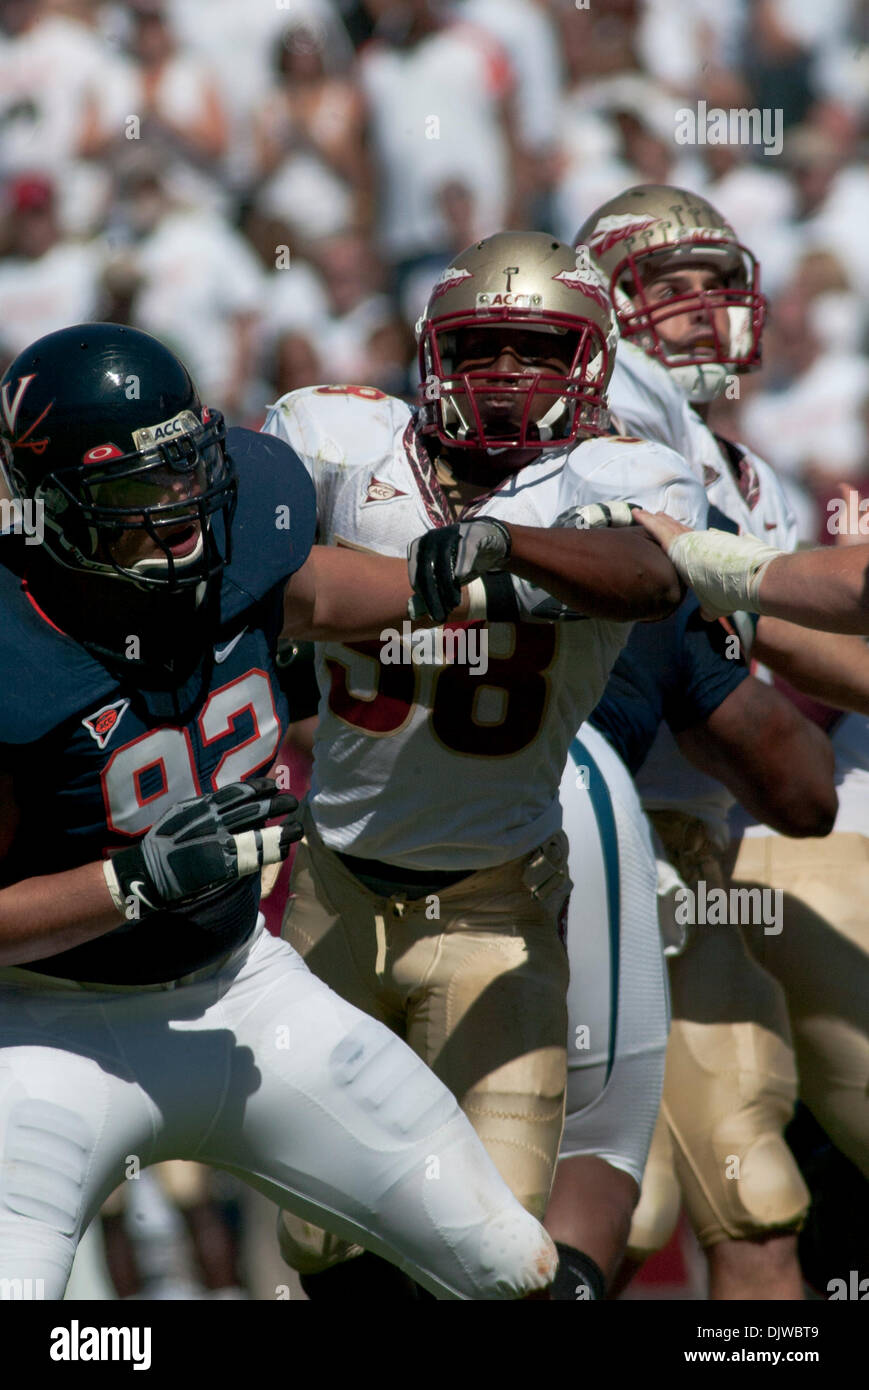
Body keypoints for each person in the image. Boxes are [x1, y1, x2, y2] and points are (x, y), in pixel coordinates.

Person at [0, 320, 600, 1301]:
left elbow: (356, 592)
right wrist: (132, 882)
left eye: (185, 469)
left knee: (512, 1265)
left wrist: (511, 579)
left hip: (244, 994)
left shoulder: (236, 551)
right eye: (135, 492)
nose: (180, 511)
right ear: (49, 507)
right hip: (45, 1028)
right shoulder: (14, 647)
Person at [262, 229, 710, 1298]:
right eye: (480, 347)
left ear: (588, 365)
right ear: (429, 355)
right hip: (333, 893)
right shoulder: (337, 441)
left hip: (492, 913)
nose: (505, 375)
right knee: (322, 1245)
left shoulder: (619, 476)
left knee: (492, 1253)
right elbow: (248, 559)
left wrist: (507, 549)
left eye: (536, 350)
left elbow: (649, 577)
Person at [579, 182, 869, 1295]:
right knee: (608, 1200)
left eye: (716, 287)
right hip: (577, 854)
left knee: (750, 1195)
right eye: (669, 288)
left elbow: (788, 640)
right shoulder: (622, 425)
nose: (701, 312)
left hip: (699, 854)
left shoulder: (748, 477)